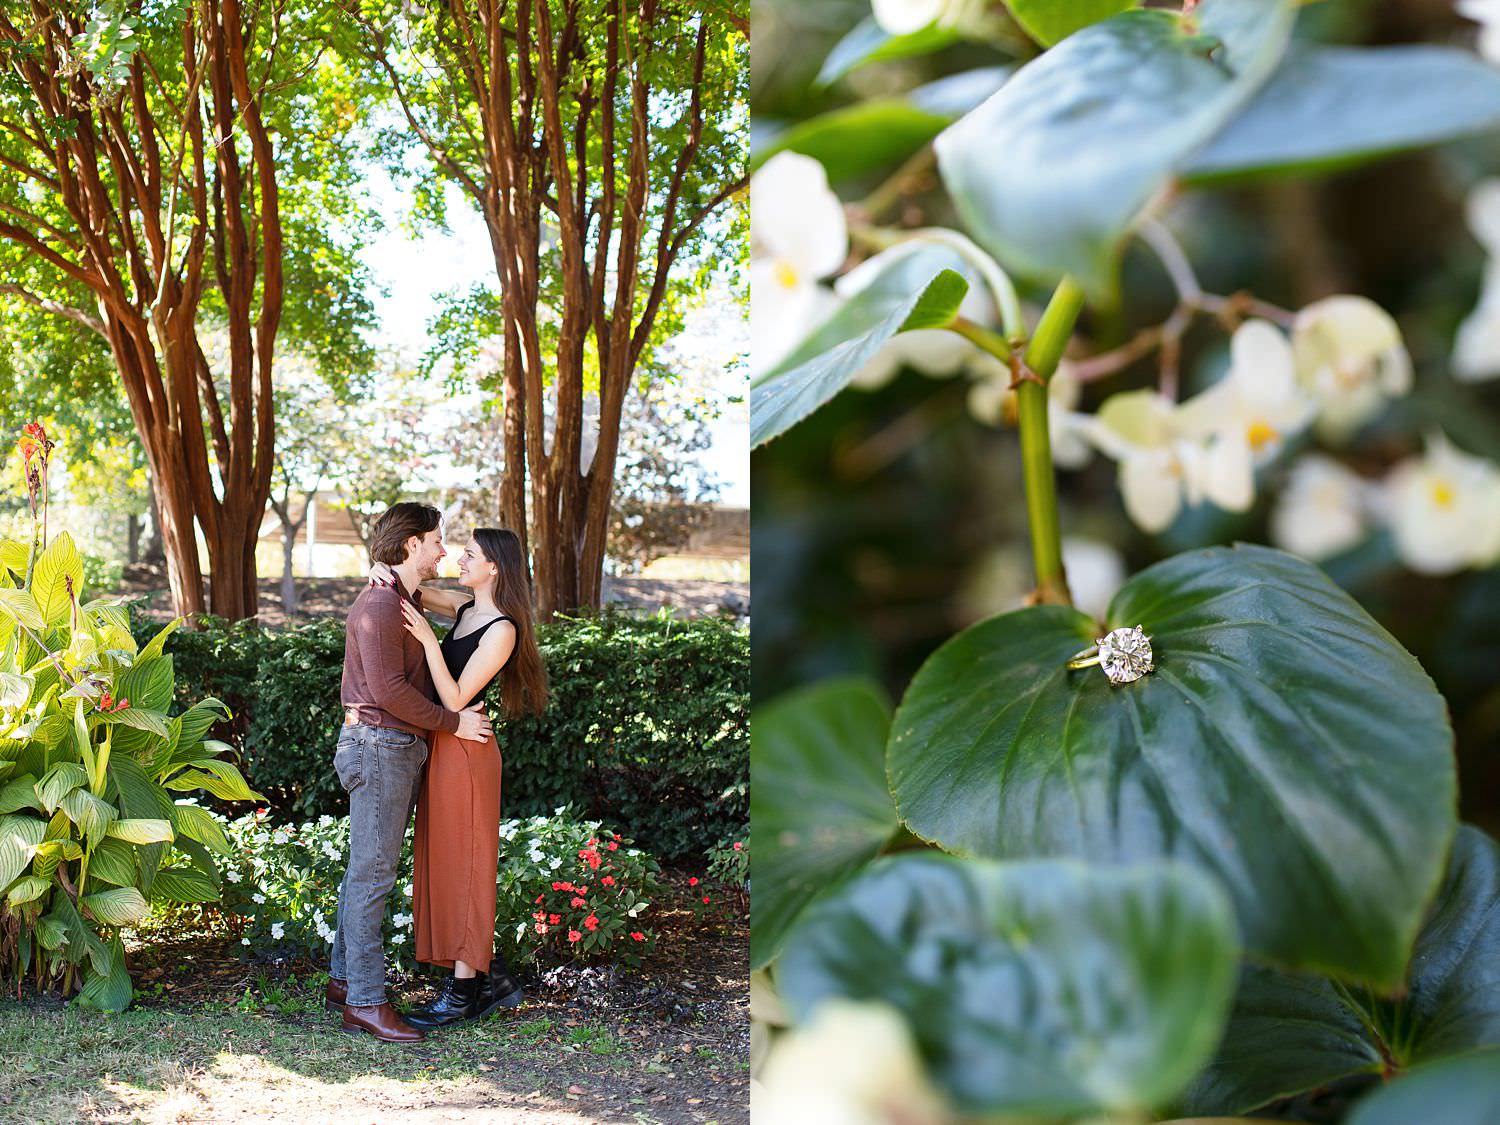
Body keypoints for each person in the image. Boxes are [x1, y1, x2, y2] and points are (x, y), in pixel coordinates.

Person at [327, 502, 494, 1044]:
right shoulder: (381, 606)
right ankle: (367, 1003)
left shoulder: (400, 598)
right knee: (374, 875)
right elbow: (388, 693)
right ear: (410, 545)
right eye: (436, 540)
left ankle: (346, 982)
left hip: (389, 744)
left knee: (365, 870)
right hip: (380, 743)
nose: (443, 550)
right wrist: (452, 722)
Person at [371, 527, 549, 1029]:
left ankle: (465, 991)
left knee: (467, 864)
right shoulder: (467, 608)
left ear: (495, 568)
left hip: (468, 750)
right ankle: (487, 977)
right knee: (445, 862)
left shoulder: (503, 630)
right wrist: (380, 571)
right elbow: (412, 588)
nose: (459, 559)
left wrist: (428, 639)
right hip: (444, 744)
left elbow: (454, 699)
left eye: (470, 555)